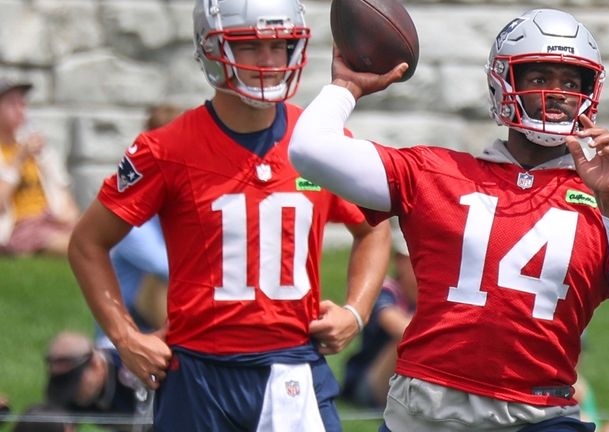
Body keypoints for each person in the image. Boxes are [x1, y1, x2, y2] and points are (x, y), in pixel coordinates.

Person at [289, 8, 609, 432]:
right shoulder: (435, 174)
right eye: (539, 77)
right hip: (424, 411)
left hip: (539, 415)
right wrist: (345, 88)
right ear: (503, 82)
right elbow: (309, 150)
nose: (559, 92)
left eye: (570, 81)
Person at [67, 0, 390, 431]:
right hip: (198, 373)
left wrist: (356, 310)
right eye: (250, 47)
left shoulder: (318, 141)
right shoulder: (166, 149)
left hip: (292, 363)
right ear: (211, 49)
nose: (270, 62)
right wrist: (124, 336)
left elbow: (373, 228)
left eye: (281, 47)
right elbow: (88, 243)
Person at [94, 104, 184, 349]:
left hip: (159, 329)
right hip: (126, 340)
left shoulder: (178, 207)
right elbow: (168, 266)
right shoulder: (132, 211)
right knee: (162, 279)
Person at [0, 78, 79, 257]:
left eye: (22, 103)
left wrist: (69, 215)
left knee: (95, 238)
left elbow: (62, 192)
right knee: (82, 249)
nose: (21, 110)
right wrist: (19, 158)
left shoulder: (36, 149)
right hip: (20, 229)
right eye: (12, 104)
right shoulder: (17, 152)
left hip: (50, 220)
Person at [341, 223, 417, 409]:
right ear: (400, 261)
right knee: (407, 338)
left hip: (409, 382)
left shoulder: (434, 294)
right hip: (368, 381)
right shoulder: (386, 289)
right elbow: (392, 322)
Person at [44, 331, 151, 431]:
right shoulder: (69, 393)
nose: (71, 394)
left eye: (75, 382)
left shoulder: (136, 372)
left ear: (96, 365)